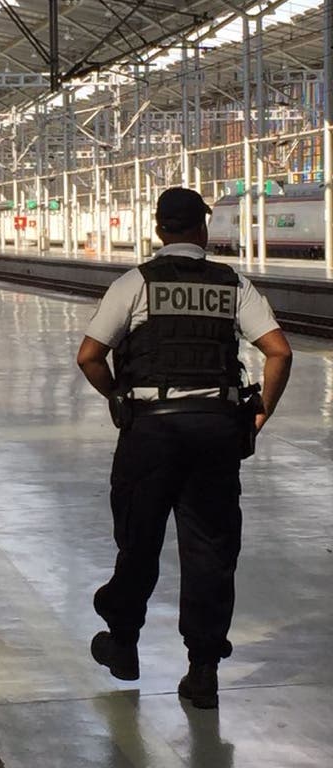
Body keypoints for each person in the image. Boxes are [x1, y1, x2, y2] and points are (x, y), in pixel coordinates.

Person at [75, 187, 293, 709]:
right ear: (202, 230)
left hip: (149, 431)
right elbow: (278, 352)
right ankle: (203, 672)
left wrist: (119, 398)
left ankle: (123, 645)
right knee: (211, 551)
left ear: (157, 231)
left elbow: (89, 356)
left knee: (138, 542)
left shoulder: (135, 283)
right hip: (216, 432)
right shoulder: (233, 284)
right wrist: (259, 412)